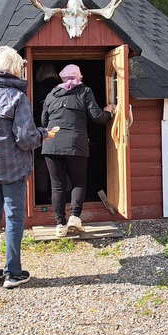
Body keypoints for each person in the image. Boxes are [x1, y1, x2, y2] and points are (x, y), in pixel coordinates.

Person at [0, 46, 55, 288]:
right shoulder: (17, 98)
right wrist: (43, 134)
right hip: (13, 169)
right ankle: (13, 274)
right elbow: (25, 139)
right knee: (14, 218)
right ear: (15, 69)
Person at [41, 63, 114, 237]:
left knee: (57, 186)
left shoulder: (51, 95)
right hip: (76, 144)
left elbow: (43, 122)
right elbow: (97, 117)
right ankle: (74, 217)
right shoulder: (85, 91)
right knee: (78, 182)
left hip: (51, 144)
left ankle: (60, 225)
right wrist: (109, 113)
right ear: (78, 77)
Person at [33, 63, 60, 202]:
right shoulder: (61, 87)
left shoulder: (39, 89)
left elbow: (39, 112)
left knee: (42, 167)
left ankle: (42, 197)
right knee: (61, 167)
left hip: (44, 131)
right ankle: (65, 197)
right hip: (61, 131)